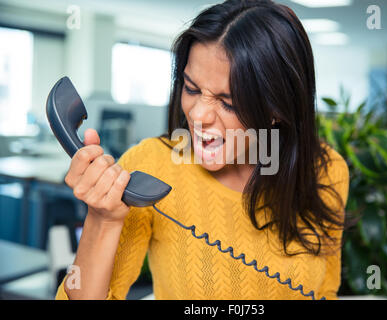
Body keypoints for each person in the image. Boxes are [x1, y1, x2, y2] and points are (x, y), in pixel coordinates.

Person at [55, 0, 350, 300]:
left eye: (228, 102)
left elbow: (326, 291)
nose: (197, 115)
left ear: (278, 109)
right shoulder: (152, 165)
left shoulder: (326, 171)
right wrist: (102, 220)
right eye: (191, 88)